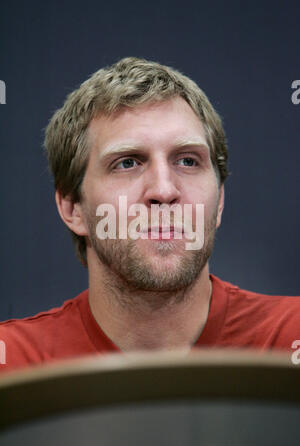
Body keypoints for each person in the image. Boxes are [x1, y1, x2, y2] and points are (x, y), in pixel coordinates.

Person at [0, 57, 299, 374]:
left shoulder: (289, 340)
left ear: (220, 201)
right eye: (127, 162)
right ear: (73, 207)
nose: (164, 190)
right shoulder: (13, 363)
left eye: (187, 161)